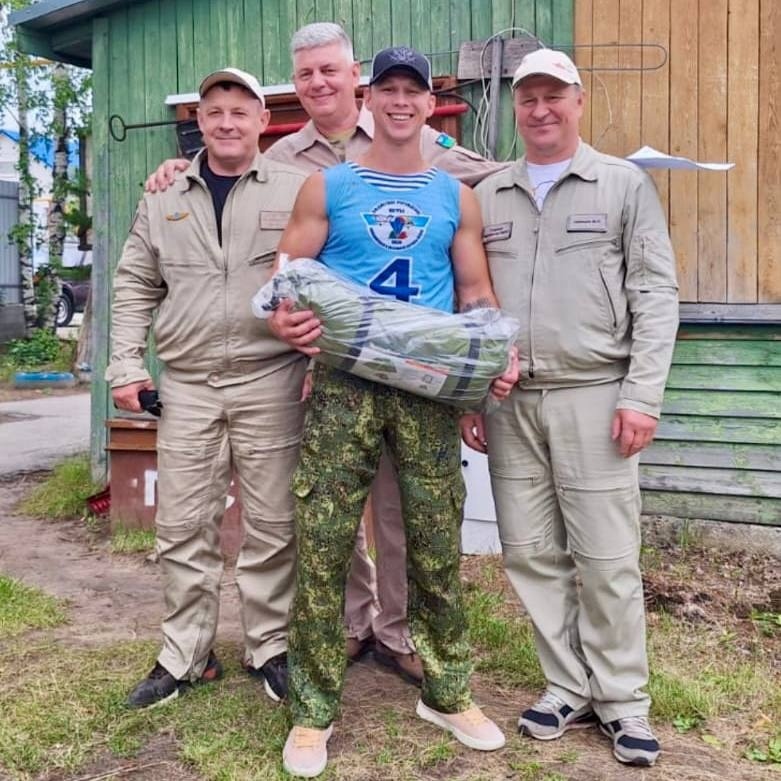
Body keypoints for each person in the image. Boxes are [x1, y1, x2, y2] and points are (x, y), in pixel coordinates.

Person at [145, 21, 507, 686]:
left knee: (400, 510)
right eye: (305, 73)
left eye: (329, 70)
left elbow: (495, 190)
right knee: (331, 507)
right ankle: (347, 623)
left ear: (354, 79)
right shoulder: (286, 160)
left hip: (415, 370)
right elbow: (269, 239)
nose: (318, 83)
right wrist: (177, 168)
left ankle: (397, 631)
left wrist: (488, 353)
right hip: (330, 369)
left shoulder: (424, 145)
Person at [267, 46, 517, 778]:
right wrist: (284, 320)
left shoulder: (454, 196)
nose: (401, 101)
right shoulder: (328, 186)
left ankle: (446, 691)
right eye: (389, 89)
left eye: (414, 91)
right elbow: (287, 276)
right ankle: (312, 707)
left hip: (426, 385)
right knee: (323, 539)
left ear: (429, 105)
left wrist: (494, 356)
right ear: (368, 100)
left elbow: (475, 294)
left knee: (435, 537)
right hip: (344, 381)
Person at [467, 49, 679, 767]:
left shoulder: (621, 185)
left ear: (578, 102)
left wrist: (641, 395)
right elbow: (472, 301)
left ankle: (622, 700)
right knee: (530, 552)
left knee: (607, 556)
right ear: (516, 106)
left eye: (553, 96)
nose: (540, 110)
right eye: (527, 97)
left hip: (596, 394)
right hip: (510, 402)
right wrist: (472, 391)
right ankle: (566, 685)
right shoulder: (489, 194)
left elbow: (655, 295)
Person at [105, 68, 308, 708]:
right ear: (198, 122)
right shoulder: (164, 196)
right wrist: (126, 367)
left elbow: (323, 278)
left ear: (261, 121)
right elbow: (135, 284)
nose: (226, 123)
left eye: (240, 111)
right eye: (214, 111)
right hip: (189, 384)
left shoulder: (298, 189)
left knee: (273, 523)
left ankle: (269, 647)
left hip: (271, 378)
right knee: (183, 523)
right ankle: (185, 655)